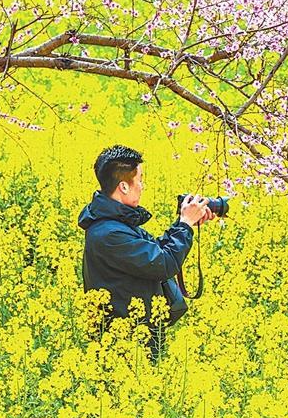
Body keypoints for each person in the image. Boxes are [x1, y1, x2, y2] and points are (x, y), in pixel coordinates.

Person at [78, 145, 214, 352]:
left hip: (136, 334)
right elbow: (164, 263)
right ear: (124, 187)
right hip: (127, 343)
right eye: (140, 180)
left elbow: (154, 251)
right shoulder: (109, 234)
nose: (143, 186)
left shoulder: (115, 223)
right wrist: (185, 224)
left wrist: (185, 222)